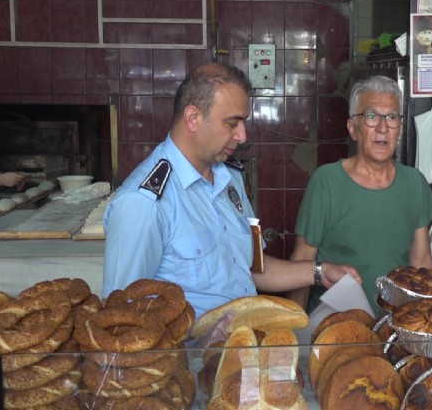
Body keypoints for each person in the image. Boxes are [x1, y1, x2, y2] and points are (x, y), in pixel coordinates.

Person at [102, 62, 361, 319]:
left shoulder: (229, 177)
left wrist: (319, 271)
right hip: (190, 359)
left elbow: (251, 266)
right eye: (232, 123)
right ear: (193, 118)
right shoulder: (143, 203)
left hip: (241, 349)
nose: (243, 136)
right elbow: (120, 318)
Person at [289, 75, 432, 315]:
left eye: (391, 117)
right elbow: (302, 262)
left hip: (393, 327)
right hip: (334, 329)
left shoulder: (414, 183)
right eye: (371, 117)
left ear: (399, 127)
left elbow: (421, 262)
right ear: (353, 129)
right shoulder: (326, 182)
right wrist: (295, 336)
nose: (382, 128)